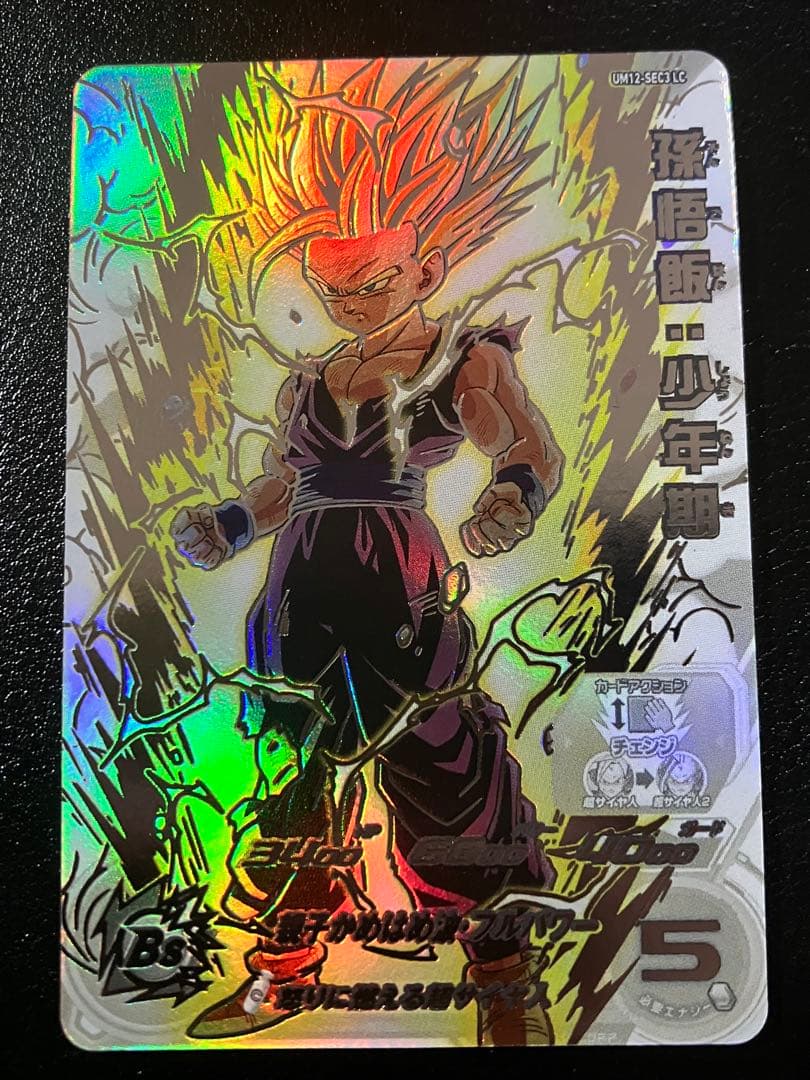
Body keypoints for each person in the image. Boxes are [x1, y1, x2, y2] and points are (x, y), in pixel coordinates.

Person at [170, 60, 564, 1045]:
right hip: (299, 593)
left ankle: (504, 980)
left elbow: (525, 446)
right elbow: (285, 483)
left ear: (425, 271)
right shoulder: (307, 379)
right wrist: (230, 525)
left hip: (402, 584)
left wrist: (511, 499)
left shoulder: (464, 357)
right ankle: (283, 972)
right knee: (293, 780)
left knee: (448, 772)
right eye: (331, 286)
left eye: (373, 281)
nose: (349, 303)